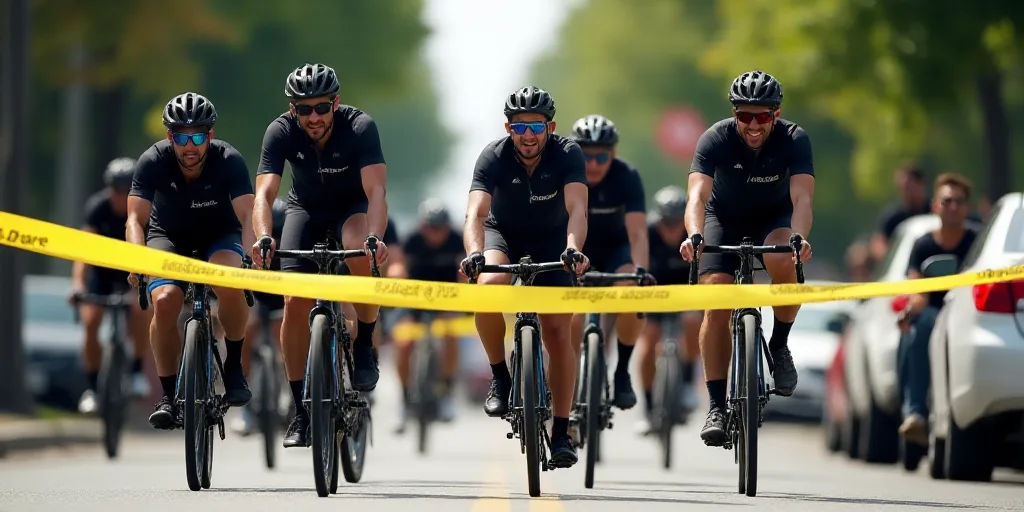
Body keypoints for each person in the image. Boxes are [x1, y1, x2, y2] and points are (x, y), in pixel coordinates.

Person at [252, 63, 390, 449]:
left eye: (322, 107)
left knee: (359, 250)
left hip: (353, 208)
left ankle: (364, 343)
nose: (313, 117)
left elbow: (377, 191)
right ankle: (299, 411)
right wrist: (264, 236)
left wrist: (375, 237)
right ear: (292, 110)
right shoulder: (280, 131)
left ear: (336, 103)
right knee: (294, 301)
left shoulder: (360, 127)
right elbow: (263, 195)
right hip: (306, 210)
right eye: (303, 109)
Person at [678, 70, 814, 446]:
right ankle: (717, 405)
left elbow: (802, 198)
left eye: (763, 117)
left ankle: (779, 343)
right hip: (723, 219)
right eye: (744, 116)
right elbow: (697, 198)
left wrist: (799, 237)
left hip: (774, 220)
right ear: (734, 114)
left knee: (785, 261)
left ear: (777, 114)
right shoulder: (715, 138)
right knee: (717, 302)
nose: (753, 125)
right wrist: (694, 234)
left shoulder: (794, 139)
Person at [460, 85, 590, 467]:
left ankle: (562, 431)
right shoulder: (493, 156)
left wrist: (573, 248)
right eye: (519, 128)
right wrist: (474, 255)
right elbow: (475, 213)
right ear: (508, 129)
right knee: (488, 287)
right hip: (506, 235)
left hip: (555, 239)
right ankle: (500, 376)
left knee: (557, 333)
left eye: (535, 126)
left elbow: (577, 208)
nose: (528, 135)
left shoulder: (568, 153)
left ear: (550, 127)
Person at [126, 92, 255, 430]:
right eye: (182, 137)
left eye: (198, 136)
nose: (190, 146)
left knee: (229, 281)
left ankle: (234, 368)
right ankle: (168, 396)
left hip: (219, 235)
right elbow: (134, 220)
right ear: (171, 137)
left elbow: (247, 215)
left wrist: (253, 255)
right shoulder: (152, 160)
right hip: (168, 237)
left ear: (210, 136)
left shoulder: (229, 160)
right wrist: (136, 260)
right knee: (166, 301)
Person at [567, 114, 647, 411]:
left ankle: (622, 370)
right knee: (571, 322)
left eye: (602, 156)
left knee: (632, 291)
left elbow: (638, 233)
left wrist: (641, 271)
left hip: (616, 250)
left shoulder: (627, 175)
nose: (594, 165)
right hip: (575, 251)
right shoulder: (564, 173)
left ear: (613, 153)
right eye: (586, 156)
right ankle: (567, 394)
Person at [895, 173, 978, 446]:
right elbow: (916, 289)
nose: (953, 206)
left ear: (967, 206)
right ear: (935, 206)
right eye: (947, 201)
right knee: (918, 328)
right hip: (932, 316)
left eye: (959, 201)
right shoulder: (923, 245)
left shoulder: (977, 243)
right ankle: (915, 414)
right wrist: (912, 308)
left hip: (970, 316)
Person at [71, 157, 152, 415]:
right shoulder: (98, 208)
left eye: (127, 189)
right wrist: (78, 285)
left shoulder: (146, 210)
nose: (121, 195)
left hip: (135, 273)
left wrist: (144, 283)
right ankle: (93, 388)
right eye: (116, 189)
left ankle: (137, 372)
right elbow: (83, 251)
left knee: (142, 311)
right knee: (91, 320)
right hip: (102, 274)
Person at [390, 199, 465, 433]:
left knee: (451, 334)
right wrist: (397, 274)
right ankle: (404, 400)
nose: (435, 233)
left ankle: (447, 392)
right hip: (414, 302)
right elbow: (398, 264)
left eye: (440, 227)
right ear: (423, 226)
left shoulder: (456, 239)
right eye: (431, 227)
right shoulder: (412, 239)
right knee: (403, 344)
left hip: (446, 300)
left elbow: (465, 271)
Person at [635, 185, 703, 434]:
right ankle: (648, 405)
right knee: (649, 339)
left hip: (686, 294)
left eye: (677, 222)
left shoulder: (693, 234)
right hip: (655, 295)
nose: (672, 228)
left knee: (693, 322)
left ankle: (686, 385)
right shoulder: (649, 233)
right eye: (666, 221)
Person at [232, 198, 288, 436]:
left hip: (283, 297)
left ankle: (289, 392)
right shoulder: (247, 238)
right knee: (246, 329)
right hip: (255, 297)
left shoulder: (293, 239)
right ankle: (245, 402)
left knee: (284, 334)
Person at [871, 165, 930, 262]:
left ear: (921, 184)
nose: (906, 192)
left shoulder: (935, 211)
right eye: (903, 188)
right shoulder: (893, 217)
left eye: (909, 187)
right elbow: (879, 245)